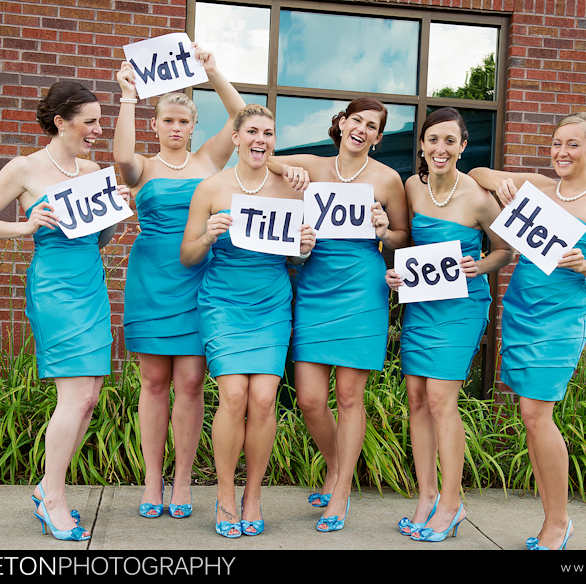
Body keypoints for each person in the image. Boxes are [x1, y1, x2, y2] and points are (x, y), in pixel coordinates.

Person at [0, 81, 130, 541]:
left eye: (100, 122)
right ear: (61, 122)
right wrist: (26, 225)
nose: (98, 130)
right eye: (90, 121)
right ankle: (53, 497)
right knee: (74, 396)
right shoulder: (24, 168)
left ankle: (47, 487)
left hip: (91, 284)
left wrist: (116, 214)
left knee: (90, 396)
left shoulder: (92, 170)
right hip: (55, 289)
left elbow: (99, 238)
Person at [469, 112, 586, 550]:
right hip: (521, 309)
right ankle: (553, 517)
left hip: (561, 318)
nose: (562, 152)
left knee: (538, 416)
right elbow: (479, 172)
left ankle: (559, 522)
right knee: (529, 416)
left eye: (573, 144)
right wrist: (505, 186)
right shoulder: (539, 187)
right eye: (557, 143)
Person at [113, 46, 244, 520]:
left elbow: (242, 118)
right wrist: (128, 95)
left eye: (183, 122)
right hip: (151, 280)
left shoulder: (209, 160)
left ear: (193, 126)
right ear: (154, 125)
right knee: (153, 381)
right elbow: (120, 156)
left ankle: (184, 480)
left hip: (200, 276)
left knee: (190, 382)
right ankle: (153, 480)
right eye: (167, 120)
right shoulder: (141, 167)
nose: (174, 127)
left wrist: (213, 71)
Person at [267, 97, 409, 532]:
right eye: (356, 120)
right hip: (315, 285)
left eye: (372, 126)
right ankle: (336, 468)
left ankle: (341, 490)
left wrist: (385, 232)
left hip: (363, 289)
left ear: (378, 137)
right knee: (309, 399)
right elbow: (263, 158)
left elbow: (403, 237)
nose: (362, 129)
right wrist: (288, 171)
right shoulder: (314, 165)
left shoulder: (387, 179)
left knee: (349, 397)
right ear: (342, 123)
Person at [180, 104, 316, 538]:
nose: (261, 139)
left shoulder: (291, 190)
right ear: (236, 138)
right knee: (235, 394)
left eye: (269, 133)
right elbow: (187, 256)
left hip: (270, 303)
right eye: (253, 131)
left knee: (263, 399)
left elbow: (297, 256)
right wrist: (208, 235)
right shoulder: (211, 188)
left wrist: (304, 248)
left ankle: (253, 496)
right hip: (223, 302)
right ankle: (224, 496)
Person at [386, 108, 514, 542]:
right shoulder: (411, 187)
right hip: (422, 305)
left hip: (461, 307)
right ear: (422, 145)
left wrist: (481, 265)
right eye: (433, 140)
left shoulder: (478, 197)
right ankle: (426, 497)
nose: (440, 148)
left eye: (449, 141)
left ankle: (451, 502)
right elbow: (405, 244)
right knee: (417, 399)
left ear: (462, 146)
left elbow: (505, 250)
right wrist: (395, 273)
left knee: (441, 398)